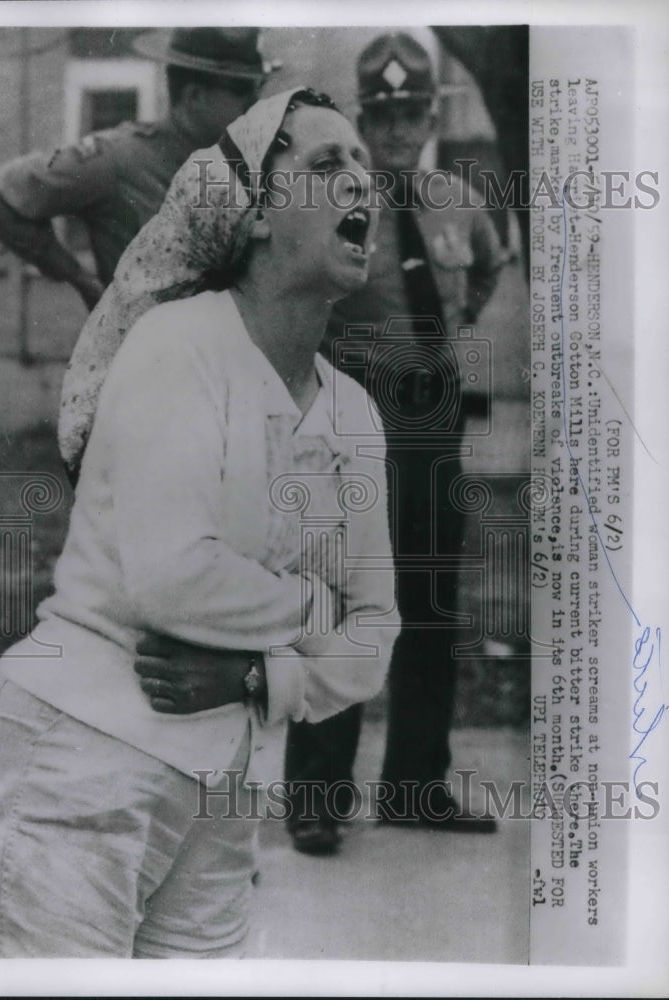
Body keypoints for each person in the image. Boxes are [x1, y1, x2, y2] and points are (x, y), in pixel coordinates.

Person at [0, 88, 398, 958]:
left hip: (225, 789)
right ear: (257, 213)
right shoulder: (177, 347)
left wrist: (259, 682)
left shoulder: (354, 416)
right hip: (72, 760)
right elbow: (172, 579)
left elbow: (376, 639)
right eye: (325, 163)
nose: (360, 183)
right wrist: (315, 613)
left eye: (363, 166)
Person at [284, 32, 504, 855]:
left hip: (432, 416)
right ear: (361, 116)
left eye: (414, 112)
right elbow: (300, 299)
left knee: (428, 604)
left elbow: (480, 275)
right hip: (352, 417)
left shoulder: (456, 198)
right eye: (385, 114)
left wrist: (435, 351)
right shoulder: (330, 200)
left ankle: (416, 785)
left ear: (430, 116)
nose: (400, 128)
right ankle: (316, 796)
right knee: (341, 602)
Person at [0, 27, 266, 311]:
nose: (256, 104)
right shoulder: (120, 157)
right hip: (146, 357)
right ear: (195, 97)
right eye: (244, 92)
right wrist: (82, 281)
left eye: (259, 88)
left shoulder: (242, 167)